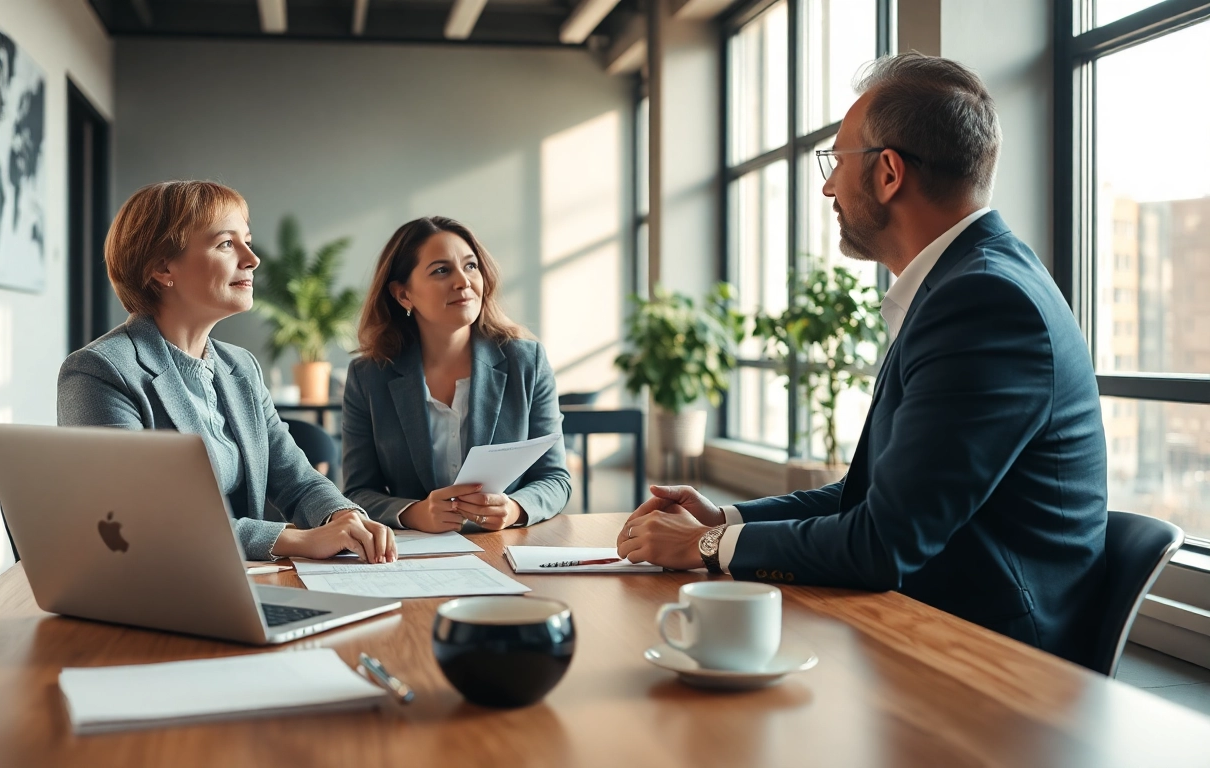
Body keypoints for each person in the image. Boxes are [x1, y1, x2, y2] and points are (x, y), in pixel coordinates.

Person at [616, 53, 1108, 666]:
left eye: (837, 161)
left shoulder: (982, 300)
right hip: (931, 624)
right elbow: (871, 499)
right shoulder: (967, 283)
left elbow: (883, 542)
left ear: (889, 173)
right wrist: (725, 517)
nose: (827, 187)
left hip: (988, 661)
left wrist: (708, 544)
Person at [58, 181, 396, 563]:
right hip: (154, 583)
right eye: (226, 244)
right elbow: (135, 515)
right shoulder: (100, 371)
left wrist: (343, 517)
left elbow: (296, 479)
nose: (252, 259)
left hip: (240, 579)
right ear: (162, 267)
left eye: (246, 241)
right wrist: (294, 540)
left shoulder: (242, 368)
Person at [342, 216, 571, 532]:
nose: (463, 281)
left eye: (470, 266)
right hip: (415, 551)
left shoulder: (526, 362)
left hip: (503, 545)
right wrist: (413, 513)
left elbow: (555, 478)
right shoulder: (368, 376)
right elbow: (357, 492)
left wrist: (515, 509)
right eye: (441, 270)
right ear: (403, 294)